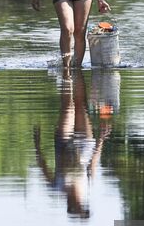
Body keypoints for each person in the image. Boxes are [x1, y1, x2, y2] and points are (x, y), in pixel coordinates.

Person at [34, 73, 111, 218]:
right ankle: (75, 71)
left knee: (68, 107)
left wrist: (37, 145)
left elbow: (43, 165)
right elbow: (92, 166)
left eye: (79, 206)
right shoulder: (86, 187)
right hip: (85, 144)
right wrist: (101, 139)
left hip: (63, 144)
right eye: (82, 205)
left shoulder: (57, 187)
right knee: (80, 104)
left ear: (71, 205)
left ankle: (67, 73)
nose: (81, 202)